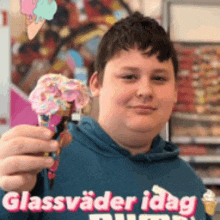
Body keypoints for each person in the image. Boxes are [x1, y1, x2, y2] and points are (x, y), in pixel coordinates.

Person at [0, 12, 213, 220]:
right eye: (129, 76)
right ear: (96, 84)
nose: (145, 91)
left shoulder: (190, 184)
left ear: (175, 92)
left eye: (159, 78)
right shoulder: (41, 163)